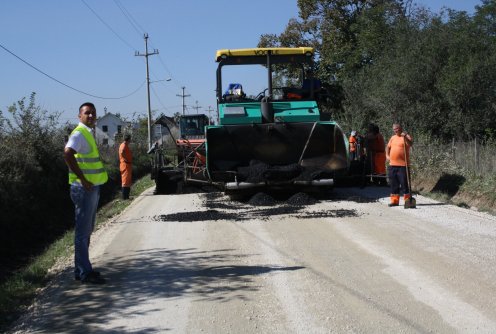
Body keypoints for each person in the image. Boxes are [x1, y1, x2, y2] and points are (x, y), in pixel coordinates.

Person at [64, 102, 108, 284]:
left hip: (91, 188)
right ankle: (83, 273)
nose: (91, 116)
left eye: (93, 113)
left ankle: (83, 269)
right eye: (87, 113)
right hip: (83, 189)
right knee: (82, 233)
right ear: (79, 116)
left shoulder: (88, 133)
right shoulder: (79, 134)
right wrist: (82, 179)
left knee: (87, 231)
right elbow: (67, 153)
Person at [385, 123, 413, 207]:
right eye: (394, 129)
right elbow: (388, 147)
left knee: (404, 183)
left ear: (401, 128)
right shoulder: (393, 138)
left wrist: (405, 137)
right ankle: (394, 201)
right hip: (392, 164)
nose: (396, 130)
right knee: (393, 183)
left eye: (397, 128)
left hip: (403, 165)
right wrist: (387, 155)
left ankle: (407, 201)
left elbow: (410, 144)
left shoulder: (406, 137)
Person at [119, 134, 133, 199]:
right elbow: (122, 153)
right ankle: (125, 197)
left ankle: (127, 196)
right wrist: (126, 160)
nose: (131, 140)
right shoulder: (124, 145)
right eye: (130, 139)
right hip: (125, 165)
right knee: (125, 181)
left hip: (127, 165)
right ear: (128, 139)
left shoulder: (125, 145)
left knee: (127, 181)